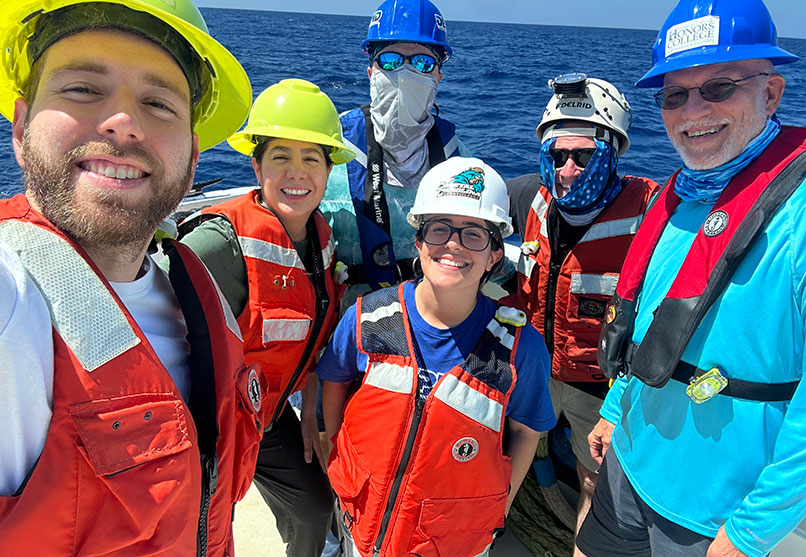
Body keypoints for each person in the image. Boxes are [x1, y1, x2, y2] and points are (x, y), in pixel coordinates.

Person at [0, 0, 265, 555]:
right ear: (20, 126)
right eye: (84, 89)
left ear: (194, 157)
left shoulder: (189, 284)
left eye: (159, 104)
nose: (122, 122)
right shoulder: (11, 299)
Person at [578, 0, 805, 557]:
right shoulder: (678, 195)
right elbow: (649, 315)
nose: (693, 112)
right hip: (631, 459)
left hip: (718, 511)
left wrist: (750, 534)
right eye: (674, 96)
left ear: (772, 92)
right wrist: (611, 410)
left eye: (719, 88)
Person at [318, 157, 556, 557]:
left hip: (453, 543)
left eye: (474, 235)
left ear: (495, 255)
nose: (454, 245)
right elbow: (335, 384)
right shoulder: (367, 319)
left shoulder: (520, 349)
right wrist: (337, 459)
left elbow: (526, 433)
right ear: (419, 241)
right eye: (440, 229)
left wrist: (498, 504)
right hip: (360, 528)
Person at [174, 79, 354, 556]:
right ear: (256, 165)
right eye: (280, 157)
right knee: (202, 532)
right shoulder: (221, 243)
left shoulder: (321, 238)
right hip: (208, 427)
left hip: (268, 419)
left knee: (315, 508)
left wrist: (312, 414)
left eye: (311, 159)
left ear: (328, 170)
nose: (297, 173)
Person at [505, 74, 658, 538]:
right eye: (558, 155)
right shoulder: (530, 198)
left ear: (612, 151)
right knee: (511, 448)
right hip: (533, 367)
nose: (568, 170)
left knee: (594, 480)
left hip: (601, 385)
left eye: (583, 156)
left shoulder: (652, 210)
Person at [319, 0, 471, 303]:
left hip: (429, 324)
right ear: (371, 72)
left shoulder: (457, 159)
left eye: (422, 63)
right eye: (389, 60)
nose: (405, 73)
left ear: (438, 76)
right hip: (345, 328)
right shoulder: (330, 146)